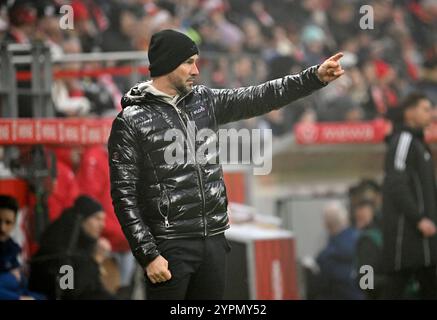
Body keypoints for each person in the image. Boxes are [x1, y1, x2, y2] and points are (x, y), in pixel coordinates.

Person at [108, 29, 344, 300]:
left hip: (214, 242)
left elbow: (260, 96)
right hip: (169, 248)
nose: (195, 70)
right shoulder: (131, 121)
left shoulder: (204, 101)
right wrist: (149, 255)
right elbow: (123, 196)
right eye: (188, 62)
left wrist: (312, 78)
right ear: (167, 64)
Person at [382, 92, 437, 299]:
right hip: (406, 237)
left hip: (424, 242)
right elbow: (396, 183)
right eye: (425, 109)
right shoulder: (403, 140)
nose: (430, 114)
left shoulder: (420, 144)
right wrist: (419, 218)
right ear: (409, 113)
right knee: (395, 286)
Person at [28, 195, 114, 300]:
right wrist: (95, 260)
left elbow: (94, 289)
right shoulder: (61, 246)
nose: (102, 225)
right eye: (97, 218)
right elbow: (68, 291)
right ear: (81, 219)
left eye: (103, 220)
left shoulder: (87, 243)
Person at [0, 195, 45, 300]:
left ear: (14, 223)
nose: (2, 228)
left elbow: (22, 284)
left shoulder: (12, 248)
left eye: (8, 222)